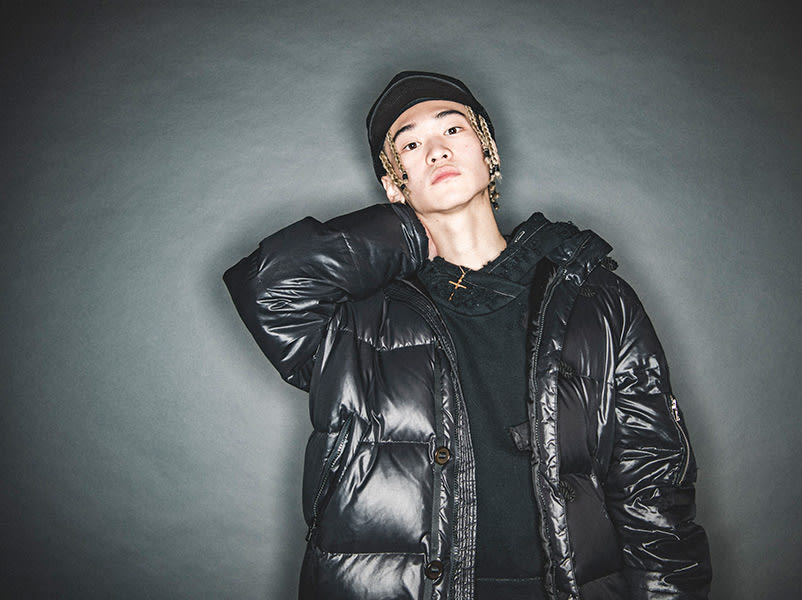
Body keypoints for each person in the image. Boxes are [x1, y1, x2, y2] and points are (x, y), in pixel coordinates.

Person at [224, 71, 712, 600]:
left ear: (488, 151)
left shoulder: (594, 298)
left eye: (453, 130)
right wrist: (407, 232)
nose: (436, 150)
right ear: (394, 184)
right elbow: (264, 286)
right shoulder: (355, 320)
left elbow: (652, 481)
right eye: (410, 145)